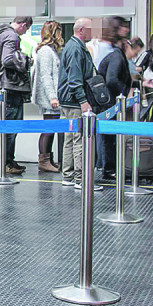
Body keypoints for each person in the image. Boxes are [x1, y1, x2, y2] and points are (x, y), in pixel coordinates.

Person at [57, 17, 101, 191]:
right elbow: (75, 79)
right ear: (81, 30)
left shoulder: (72, 46)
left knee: (69, 139)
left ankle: (68, 176)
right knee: (80, 140)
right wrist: (83, 100)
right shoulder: (76, 48)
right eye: (91, 29)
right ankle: (81, 179)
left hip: (67, 100)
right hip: (75, 101)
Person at [0, 16, 33, 175]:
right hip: (11, 86)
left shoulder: (2, 34)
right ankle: (5, 162)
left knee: (9, 127)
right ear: (23, 25)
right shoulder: (12, 35)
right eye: (26, 29)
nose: (24, 33)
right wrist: (26, 59)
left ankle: (7, 160)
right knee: (10, 127)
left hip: (7, 86)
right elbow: (8, 59)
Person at [98, 33, 138, 181]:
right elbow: (112, 80)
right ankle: (109, 170)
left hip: (111, 101)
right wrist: (124, 94)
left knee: (111, 137)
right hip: (109, 103)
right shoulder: (117, 57)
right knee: (110, 138)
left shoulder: (118, 56)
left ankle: (111, 169)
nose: (134, 56)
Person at [31, 20, 63, 174]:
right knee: (48, 130)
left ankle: (48, 160)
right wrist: (52, 97)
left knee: (50, 129)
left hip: (50, 97)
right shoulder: (45, 51)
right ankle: (44, 161)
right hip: (48, 98)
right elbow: (45, 76)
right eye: (59, 31)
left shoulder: (50, 50)